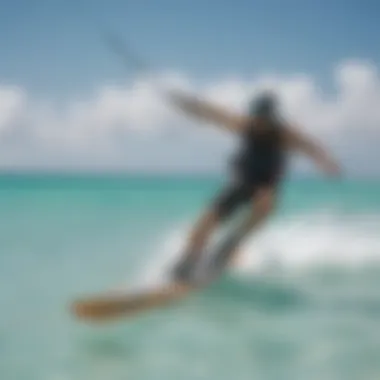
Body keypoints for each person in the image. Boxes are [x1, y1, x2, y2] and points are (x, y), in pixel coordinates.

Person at [166, 89, 342, 283]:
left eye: (263, 119)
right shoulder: (245, 125)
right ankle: (187, 261)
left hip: (266, 187)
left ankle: (227, 249)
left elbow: (310, 146)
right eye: (257, 118)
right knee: (206, 221)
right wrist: (188, 105)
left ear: (272, 118)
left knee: (264, 203)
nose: (259, 123)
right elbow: (213, 114)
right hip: (242, 182)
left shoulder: (284, 134)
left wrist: (326, 163)